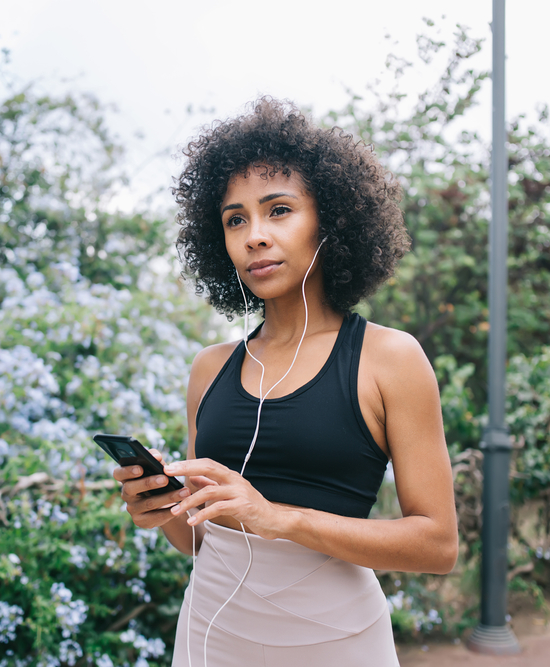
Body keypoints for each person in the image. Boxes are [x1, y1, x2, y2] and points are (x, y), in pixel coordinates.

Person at [112, 98, 458, 666]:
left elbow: (438, 544)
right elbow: (201, 540)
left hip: (336, 642)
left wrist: (281, 519)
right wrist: (162, 509)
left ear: (330, 219)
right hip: (209, 638)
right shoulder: (210, 368)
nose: (254, 235)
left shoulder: (389, 358)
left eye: (279, 210)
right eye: (235, 219)